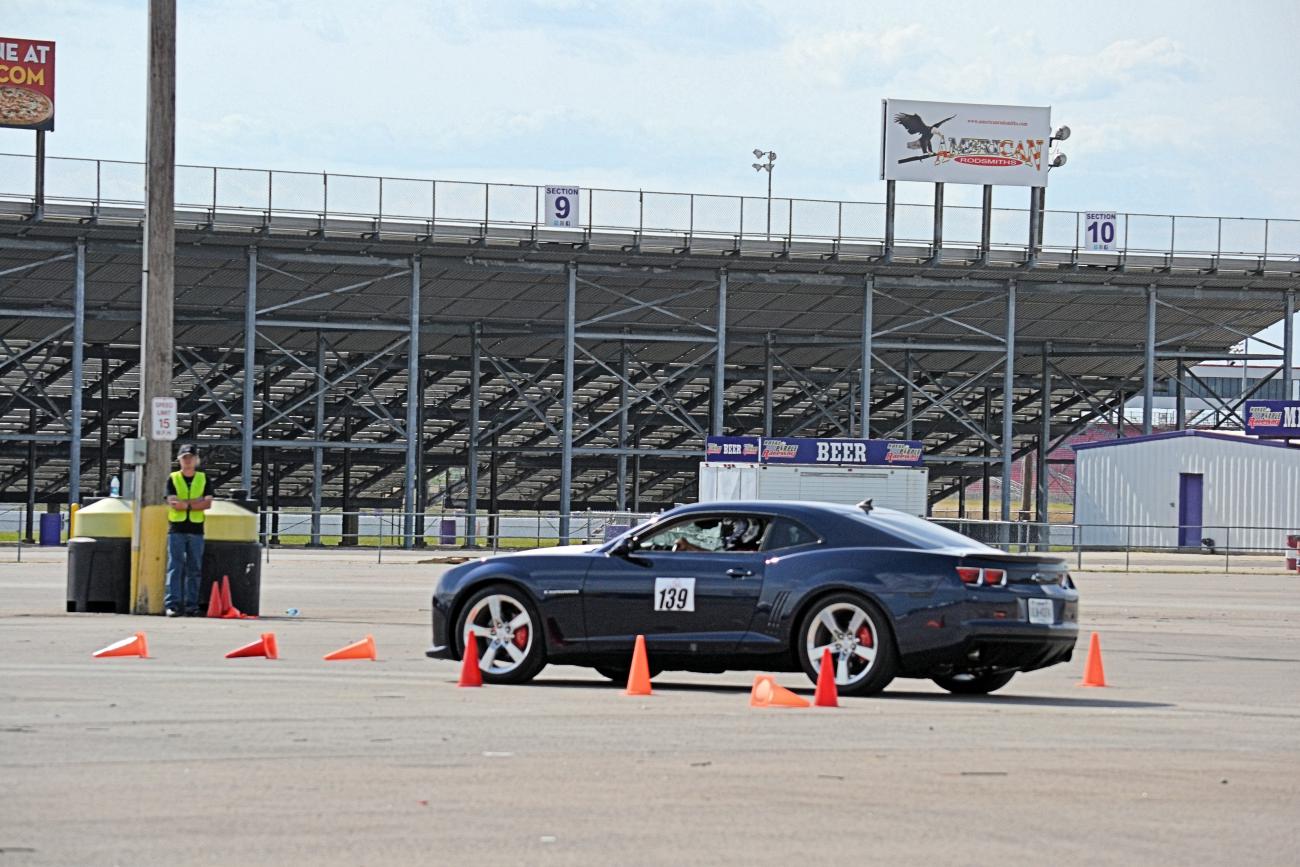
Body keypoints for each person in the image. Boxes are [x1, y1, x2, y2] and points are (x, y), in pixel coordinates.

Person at [164, 443, 216, 617]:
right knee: (175, 568)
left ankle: (191, 605)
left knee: (194, 569)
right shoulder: (172, 478)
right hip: (176, 529)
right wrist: (196, 502)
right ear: (179, 460)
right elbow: (173, 503)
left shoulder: (204, 478)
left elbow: (208, 503)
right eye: (185, 458)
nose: (188, 461)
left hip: (196, 529)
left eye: (191, 458)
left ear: (196, 460)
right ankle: (173, 604)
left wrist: (185, 504)